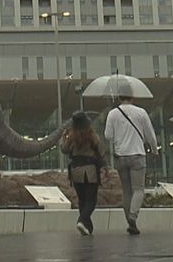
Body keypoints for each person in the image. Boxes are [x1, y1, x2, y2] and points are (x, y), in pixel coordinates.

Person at [104, 93, 158, 235]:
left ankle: (129, 221)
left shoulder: (113, 114)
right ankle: (133, 216)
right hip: (138, 155)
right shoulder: (141, 112)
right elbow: (150, 134)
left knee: (126, 191)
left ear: (119, 98)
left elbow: (107, 135)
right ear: (133, 98)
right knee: (138, 189)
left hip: (120, 156)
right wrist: (154, 149)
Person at [61, 111, 106, 236]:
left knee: (82, 200)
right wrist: (104, 166)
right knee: (91, 200)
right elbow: (101, 151)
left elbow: (64, 149)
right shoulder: (92, 135)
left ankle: (87, 228)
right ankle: (82, 221)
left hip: (76, 171)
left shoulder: (72, 136)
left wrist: (64, 138)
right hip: (90, 171)